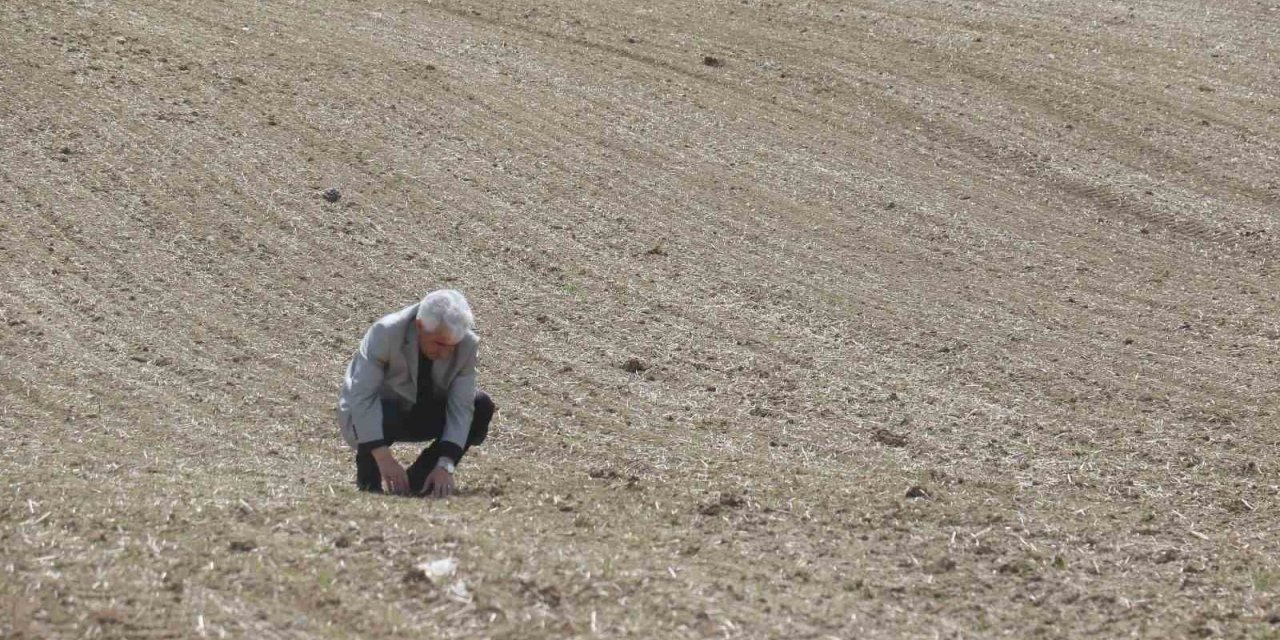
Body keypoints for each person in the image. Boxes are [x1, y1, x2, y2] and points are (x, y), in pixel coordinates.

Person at [335, 289, 494, 498]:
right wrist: (384, 458)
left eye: (452, 347)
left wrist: (446, 464)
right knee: (384, 410)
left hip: (422, 410)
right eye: (439, 343)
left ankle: (420, 480)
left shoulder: (467, 344)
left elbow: (462, 407)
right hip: (374, 415)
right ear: (419, 326)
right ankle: (369, 483)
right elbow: (362, 397)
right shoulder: (386, 332)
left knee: (481, 405)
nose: (445, 354)